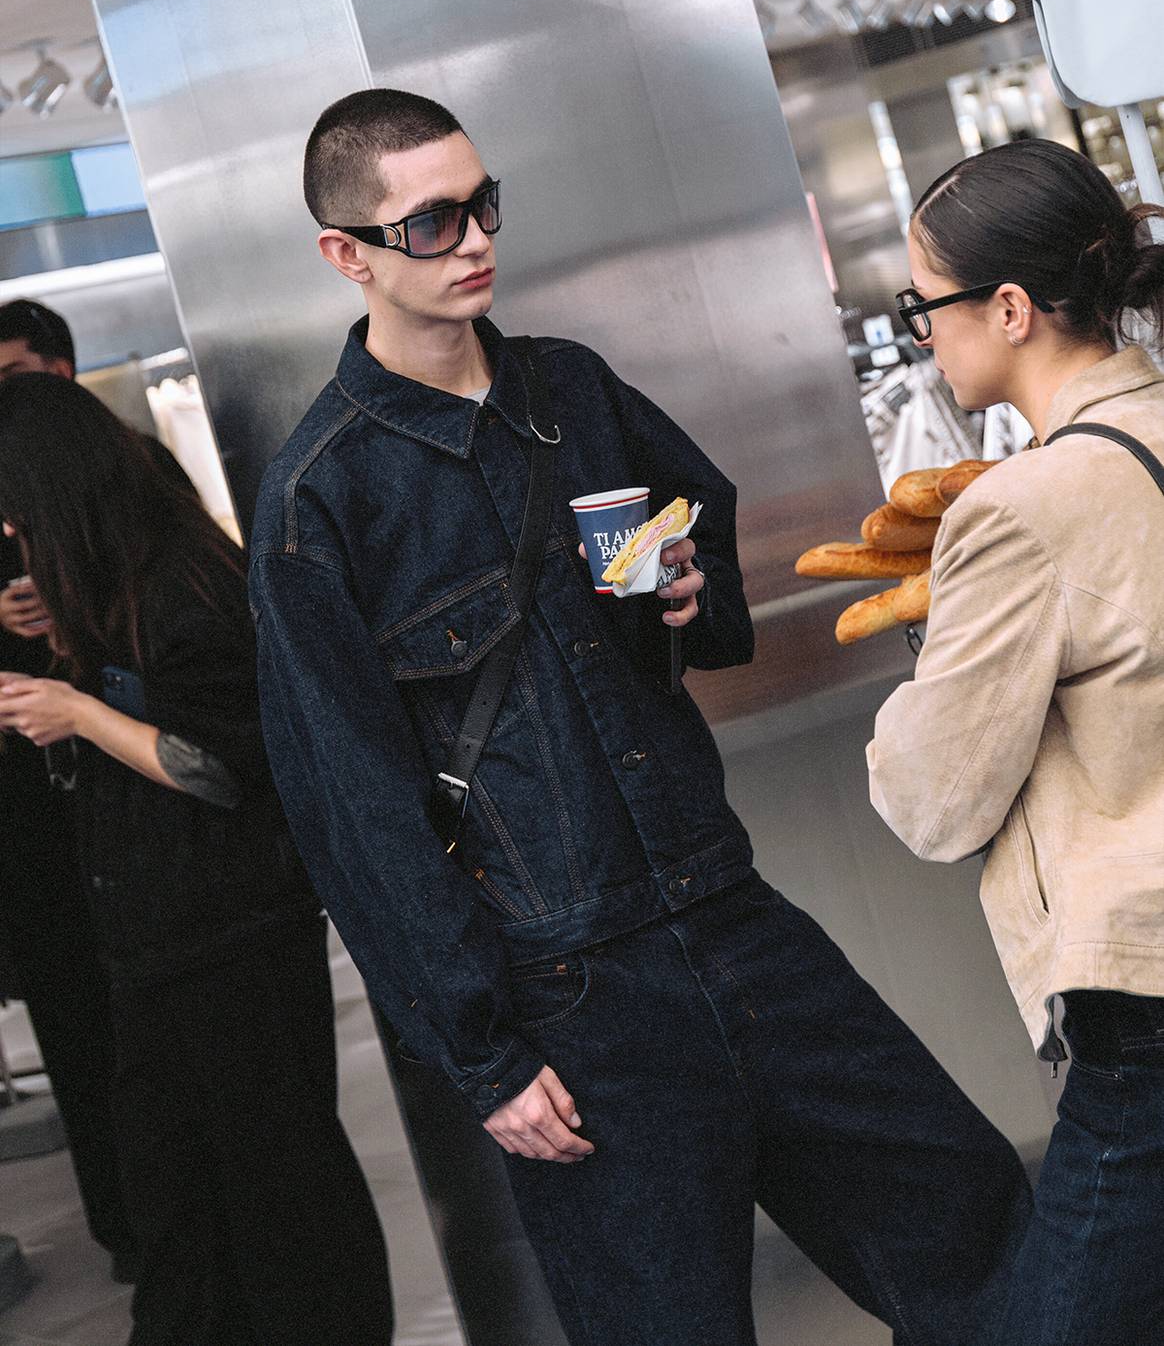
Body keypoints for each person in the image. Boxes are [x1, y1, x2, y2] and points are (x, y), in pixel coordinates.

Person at [249, 86, 1032, 1346]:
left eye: (483, 202)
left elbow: (703, 541)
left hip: (729, 913)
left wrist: (685, 592)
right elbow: (353, 812)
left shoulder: (569, 390)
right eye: (432, 223)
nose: (477, 239)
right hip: (573, 997)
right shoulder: (319, 505)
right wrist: (483, 1055)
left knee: (980, 1231)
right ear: (347, 256)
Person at [0, 374, 393, 1346]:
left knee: (280, 1196)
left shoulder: (186, 581)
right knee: (179, 1201)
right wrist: (71, 645)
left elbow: (219, 765)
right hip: (156, 946)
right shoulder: (124, 587)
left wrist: (79, 711)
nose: (10, 534)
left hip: (230, 936)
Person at [867, 138, 1164, 1345]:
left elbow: (930, 804)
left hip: (1143, 1002)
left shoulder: (1017, 511)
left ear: (1009, 307)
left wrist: (937, 637)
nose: (920, 335)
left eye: (922, 304)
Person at [0, 299, 137, 1281]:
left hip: (130, 790)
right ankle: (126, 1228)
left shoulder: (126, 479)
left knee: (143, 1018)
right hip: (29, 820)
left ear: (57, 371)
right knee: (74, 1020)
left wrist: (66, 619)